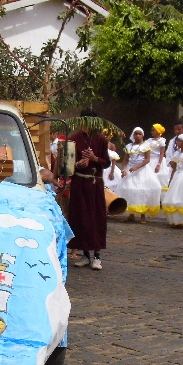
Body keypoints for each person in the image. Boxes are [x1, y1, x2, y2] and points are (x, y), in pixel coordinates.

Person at [68, 111, 111, 270]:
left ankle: (97, 256)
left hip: (94, 184)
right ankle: (85, 255)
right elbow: (67, 164)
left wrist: (94, 158)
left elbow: (106, 162)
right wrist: (78, 164)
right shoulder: (74, 139)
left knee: (96, 218)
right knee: (81, 218)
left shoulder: (101, 139)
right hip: (79, 183)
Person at [114, 127, 161, 223]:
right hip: (130, 170)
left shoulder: (146, 145)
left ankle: (142, 215)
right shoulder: (129, 146)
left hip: (142, 171)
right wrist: (123, 169)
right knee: (130, 190)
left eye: (139, 134)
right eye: (136, 134)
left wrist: (137, 167)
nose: (137, 136)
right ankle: (131, 214)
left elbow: (147, 159)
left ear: (143, 135)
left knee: (142, 190)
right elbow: (125, 160)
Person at [149, 123, 169, 190]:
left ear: (158, 131)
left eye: (153, 130)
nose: (152, 132)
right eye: (151, 131)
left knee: (158, 176)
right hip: (150, 160)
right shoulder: (149, 140)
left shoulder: (161, 141)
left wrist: (158, 164)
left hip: (157, 160)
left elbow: (162, 153)